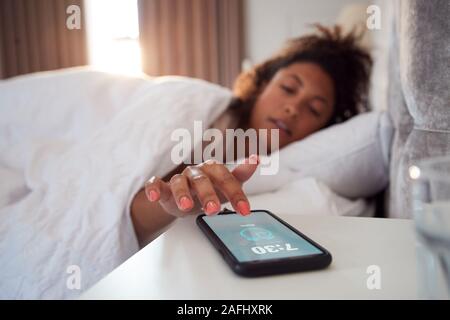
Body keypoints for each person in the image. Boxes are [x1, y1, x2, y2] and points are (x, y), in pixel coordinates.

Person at [130, 24, 373, 246]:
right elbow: (129, 217)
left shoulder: (283, 169)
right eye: (288, 88)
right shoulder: (209, 120)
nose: (293, 108)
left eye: (314, 109)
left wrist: (176, 206)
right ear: (262, 84)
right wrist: (169, 201)